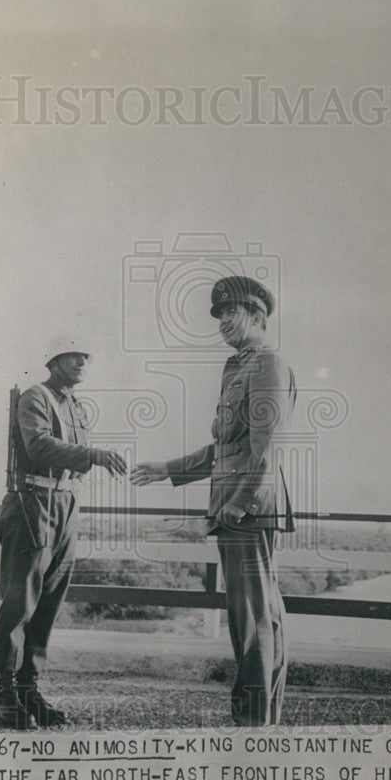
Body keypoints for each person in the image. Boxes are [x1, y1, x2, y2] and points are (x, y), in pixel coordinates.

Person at [131, 276, 296, 726]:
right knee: (254, 617)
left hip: (247, 510)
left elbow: (268, 446)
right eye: (219, 314)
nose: (223, 321)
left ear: (258, 317)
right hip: (235, 508)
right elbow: (224, 449)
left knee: (254, 620)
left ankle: (254, 725)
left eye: (231, 313)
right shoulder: (236, 367)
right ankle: (259, 719)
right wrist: (168, 469)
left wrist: (241, 503)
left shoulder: (266, 366)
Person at [0, 337, 127, 729]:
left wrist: (87, 461)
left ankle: (29, 691)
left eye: (87, 354)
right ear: (54, 360)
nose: (83, 360)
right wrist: (93, 455)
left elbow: (71, 457)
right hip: (33, 503)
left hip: (65, 504)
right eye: (74, 355)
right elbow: (38, 446)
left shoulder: (75, 406)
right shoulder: (35, 397)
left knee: (49, 600)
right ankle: (5, 695)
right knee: (20, 601)